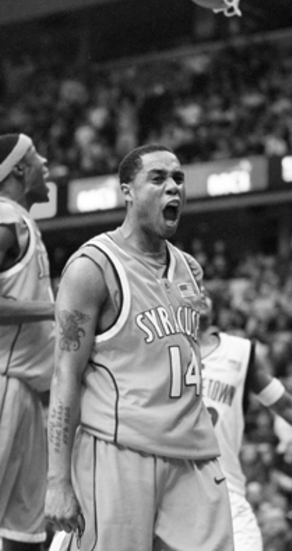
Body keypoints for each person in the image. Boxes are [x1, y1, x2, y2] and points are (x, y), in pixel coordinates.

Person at [45, 144, 234, 551]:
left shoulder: (189, 268)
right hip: (119, 452)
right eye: (158, 178)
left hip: (194, 454)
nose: (173, 188)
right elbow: (65, 374)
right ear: (126, 190)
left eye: (179, 179)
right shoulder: (91, 268)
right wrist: (57, 480)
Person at [198, 289, 292, 551]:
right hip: (172, 489)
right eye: (188, 289)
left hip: (226, 488)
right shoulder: (157, 352)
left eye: (203, 291)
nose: (198, 295)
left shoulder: (239, 351)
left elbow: (286, 404)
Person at [0, 133, 55, 551]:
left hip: (29, 393)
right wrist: (59, 309)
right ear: (19, 168)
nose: (47, 162)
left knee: (26, 533)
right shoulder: (4, 218)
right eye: (38, 157)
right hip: (4, 381)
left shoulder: (21, 220)